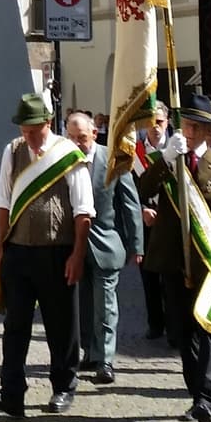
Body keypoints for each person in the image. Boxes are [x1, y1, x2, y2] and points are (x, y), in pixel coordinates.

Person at [136, 93, 211, 422]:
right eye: (188, 125)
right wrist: (167, 159)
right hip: (173, 260)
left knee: (209, 328)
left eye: (199, 127)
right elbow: (143, 188)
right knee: (183, 333)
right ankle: (195, 393)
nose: (192, 132)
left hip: (207, 264)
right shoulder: (171, 162)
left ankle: (207, 399)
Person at [0, 92, 93, 420]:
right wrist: (1, 249)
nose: (28, 136)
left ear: (48, 123)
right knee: (15, 324)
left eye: (34, 129)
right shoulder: (13, 151)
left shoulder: (68, 154)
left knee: (61, 326)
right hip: (19, 252)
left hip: (56, 252)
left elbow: (83, 212)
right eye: (23, 130)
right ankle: (11, 391)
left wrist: (77, 255)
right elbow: (3, 201)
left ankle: (63, 387)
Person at [66, 112, 143, 385]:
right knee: (83, 304)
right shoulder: (63, 161)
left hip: (105, 243)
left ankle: (106, 359)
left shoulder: (113, 160)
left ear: (94, 134)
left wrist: (136, 244)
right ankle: (90, 351)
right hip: (74, 247)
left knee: (105, 304)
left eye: (82, 138)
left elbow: (130, 204)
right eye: (71, 138)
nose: (77, 144)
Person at [134, 102, 172, 341]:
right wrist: (141, 210)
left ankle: (174, 324)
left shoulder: (178, 148)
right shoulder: (136, 152)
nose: (155, 127)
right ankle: (155, 323)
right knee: (149, 276)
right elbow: (127, 190)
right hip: (147, 223)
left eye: (159, 122)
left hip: (172, 222)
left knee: (172, 277)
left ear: (167, 122)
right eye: (151, 122)